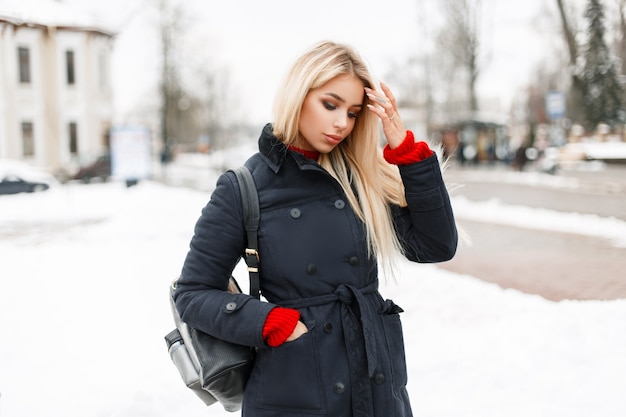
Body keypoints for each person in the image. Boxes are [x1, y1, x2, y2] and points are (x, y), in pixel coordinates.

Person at [174, 40, 458, 417]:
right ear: (299, 95)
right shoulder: (245, 185)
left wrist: (404, 151)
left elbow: (436, 246)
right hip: (295, 391)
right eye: (331, 104)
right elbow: (192, 293)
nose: (342, 123)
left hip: (376, 391)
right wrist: (273, 322)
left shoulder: (359, 176)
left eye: (354, 112)